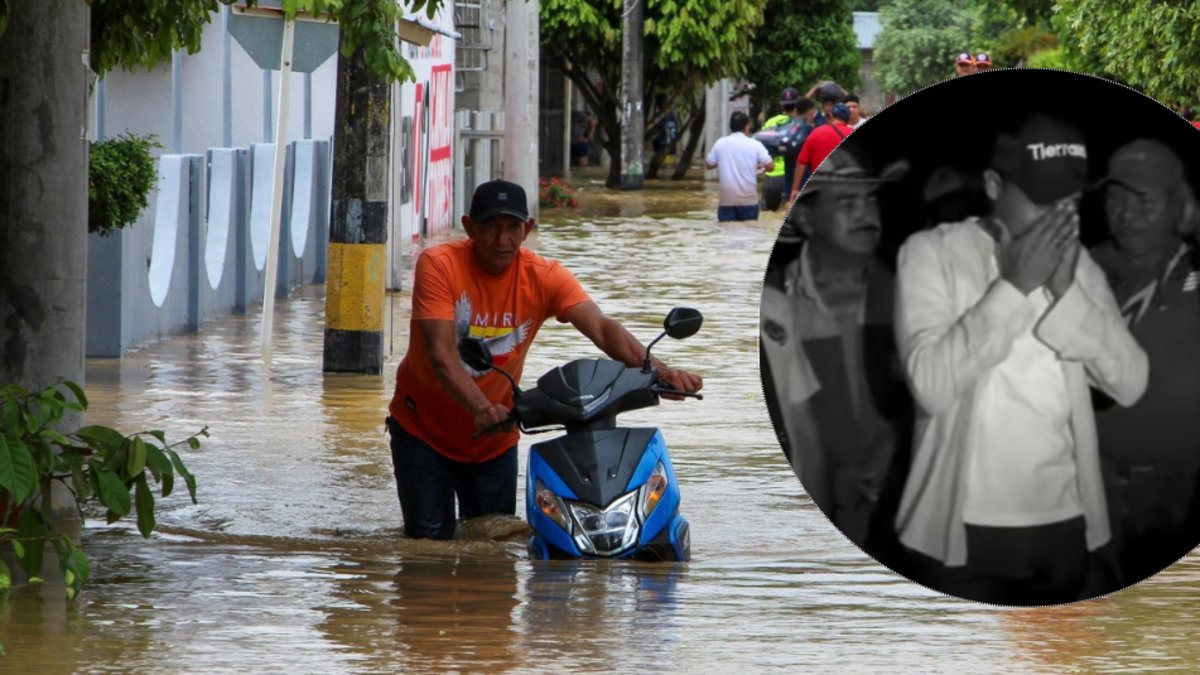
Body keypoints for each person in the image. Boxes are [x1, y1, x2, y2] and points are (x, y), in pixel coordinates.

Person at [893, 112, 1148, 604]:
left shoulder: (1081, 264)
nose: (1061, 215)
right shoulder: (932, 252)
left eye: (1070, 199)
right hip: (958, 535)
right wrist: (1014, 288)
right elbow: (930, 385)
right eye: (1042, 198)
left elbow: (1131, 383)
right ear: (993, 184)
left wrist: (1065, 292)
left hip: (1066, 527)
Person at [386, 179, 704, 540]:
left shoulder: (544, 276)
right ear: (470, 227)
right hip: (422, 430)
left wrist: (662, 372)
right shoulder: (439, 265)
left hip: (494, 439)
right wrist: (481, 407)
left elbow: (601, 327)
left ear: (528, 229)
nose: (502, 240)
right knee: (428, 548)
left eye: (512, 228)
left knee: (493, 548)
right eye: (490, 227)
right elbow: (441, 355)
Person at [761, 151, 913, 558]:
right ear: (808, 220)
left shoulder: (913, 290)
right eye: (847, 204)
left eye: (870, 202)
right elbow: (802, 431)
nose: (865, 215)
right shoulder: (776, 305)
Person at [1089, 139, 1200, 587]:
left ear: (1180, 205)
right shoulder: (1082, 269)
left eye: (1145, 200)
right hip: (1099, 487)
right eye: (1117, 199)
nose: (1128, 213)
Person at [706, 110, 773, 221]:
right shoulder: (755, 144)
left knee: (726, 235)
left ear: (731, 127)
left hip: (726, 202)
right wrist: (757, 165)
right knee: (748, 235)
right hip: (749, 201)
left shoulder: (720, 143)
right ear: (746, 127)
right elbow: (770, 166)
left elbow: (709, 165)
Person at [759, 88, 815, 211]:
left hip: (771, 176)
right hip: (792, 178)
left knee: (769, 219)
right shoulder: (802, 127)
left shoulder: (771, 122)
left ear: (781, 105)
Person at [788, 103, 854, 203]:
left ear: (831, 115)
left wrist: (795, 189)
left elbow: (801, 162)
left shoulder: (815, 133)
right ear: (848, 119)